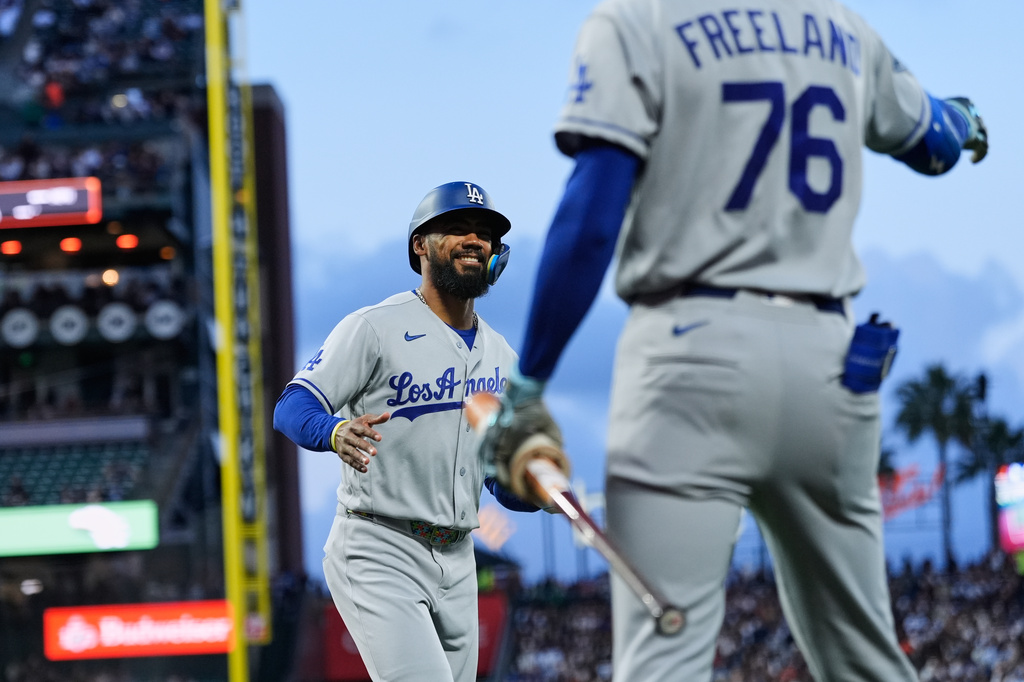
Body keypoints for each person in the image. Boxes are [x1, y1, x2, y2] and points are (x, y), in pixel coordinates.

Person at [487, 1, 988, 680]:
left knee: (665, 659)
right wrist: (958, 121)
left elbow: (592, 219)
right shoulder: (840, 25)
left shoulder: (637, 17)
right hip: (831, 362)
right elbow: (935, 143)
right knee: (867, 662)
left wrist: (530, 384)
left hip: (689, 352)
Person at [273, 181, 539, 682]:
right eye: (457, 228)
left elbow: (499, 481)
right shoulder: (375, 327)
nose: (474, 239)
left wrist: (538, 486)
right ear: (420, 245)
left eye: (484, 233)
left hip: (459, 558)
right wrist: (332, 431)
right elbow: (292, 405)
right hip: (379, 543)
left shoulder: (503, 357)